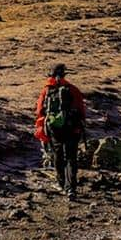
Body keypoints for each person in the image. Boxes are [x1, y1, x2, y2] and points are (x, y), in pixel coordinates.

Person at [34, 64, 87, 199]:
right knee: (71, 157)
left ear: (50, 75)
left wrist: (41, 128)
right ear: (64, 75)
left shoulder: (46, 90)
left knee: (57, 154)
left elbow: (40, 111)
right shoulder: (72, 89)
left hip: (54, 127)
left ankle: (61, 183)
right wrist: (79, 125)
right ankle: (71, 188)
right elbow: (81, 109)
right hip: (71, 126)